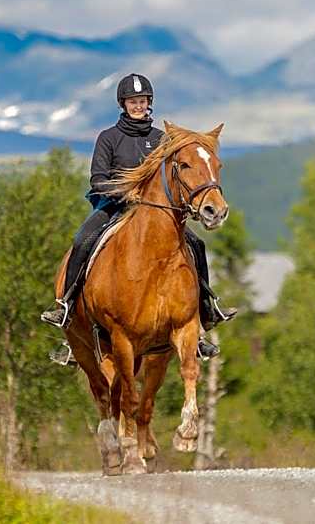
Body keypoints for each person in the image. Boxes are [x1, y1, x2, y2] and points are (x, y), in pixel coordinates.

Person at [40, 73, 237, 366]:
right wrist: (125, 193)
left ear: (149, 103)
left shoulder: (161, 140)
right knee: (82, 239)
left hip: (154, 215)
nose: (138, 106)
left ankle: (206, 311)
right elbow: (97, 179)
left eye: (142, 101)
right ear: (123, 104)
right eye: (133, 101)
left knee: (196, 245)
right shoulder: (108, 138)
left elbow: (174, 176)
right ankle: (66, 307)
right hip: (114, 207)